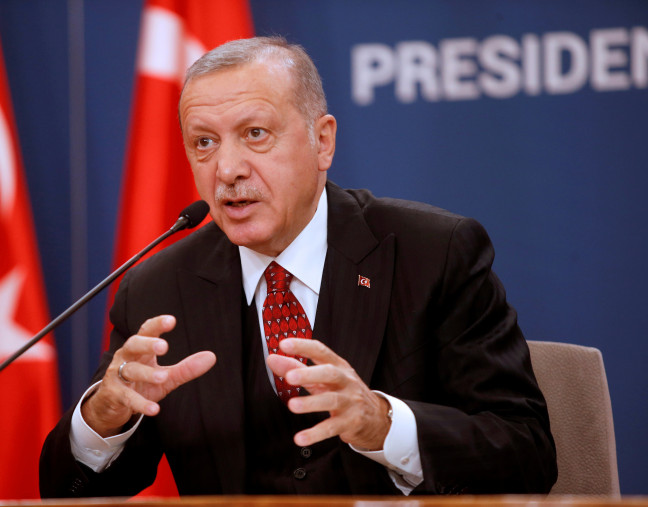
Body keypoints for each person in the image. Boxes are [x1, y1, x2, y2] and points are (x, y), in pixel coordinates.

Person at [39, 36, 557, 497]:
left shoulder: (434, 254)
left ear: (322, 141)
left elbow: (527, 453)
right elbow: (69, 492)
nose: (228, 169)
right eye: (204, 142)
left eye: (256, 133)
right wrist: (102, 421)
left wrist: (383, 425)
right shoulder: (158, 290)